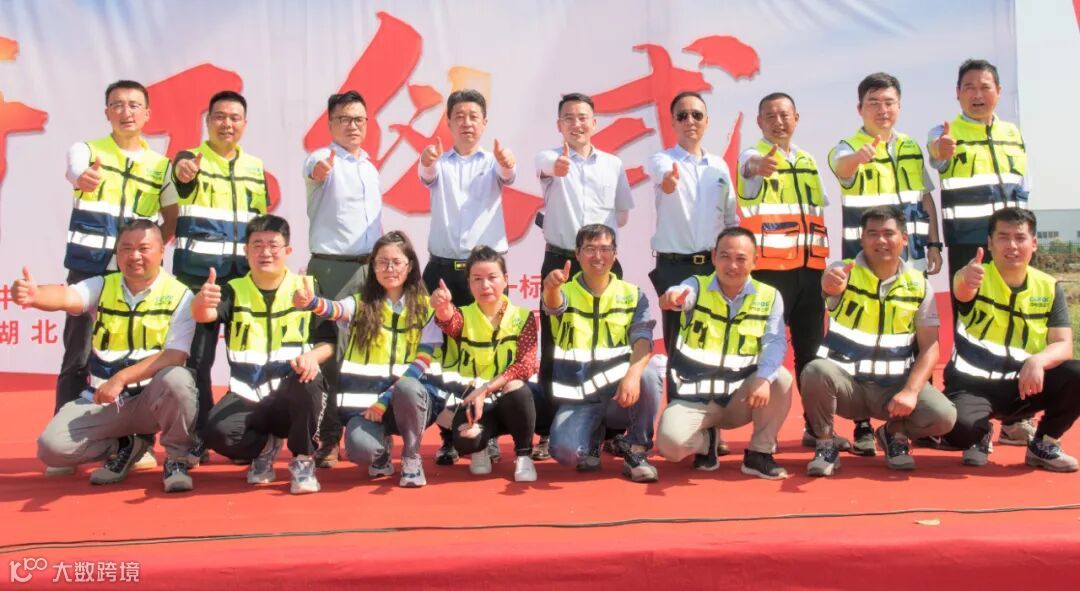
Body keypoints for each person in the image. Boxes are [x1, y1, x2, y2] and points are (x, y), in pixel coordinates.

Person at [56, 81, 175, 478]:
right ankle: (65, 441)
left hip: (136, 274)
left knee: (138, 355)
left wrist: (148, 253)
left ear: (148, 114)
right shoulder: (87, 150)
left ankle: (139, 443)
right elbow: (74, 169)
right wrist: (82, 178)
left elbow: (170, 215)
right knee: (77, 355)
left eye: (134, 105)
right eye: (118, 105)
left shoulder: (160, 165)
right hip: (89, 267)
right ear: (106, 112)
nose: (127, 112)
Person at [27, 220, 197, 492]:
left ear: (161, 251)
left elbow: (175, 356)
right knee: (52, 448)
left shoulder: (181, 295)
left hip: (151, 401)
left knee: (178, 379)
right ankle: (126, 446)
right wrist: (36, 295)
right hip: (105, 400)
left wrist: (121, 378)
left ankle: (176, 460)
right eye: (126, 248)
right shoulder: (103, 285)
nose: (134, 256)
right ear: (117, 253)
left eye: (143, 248)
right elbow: (68, 296)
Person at [801, 207, 956, 476]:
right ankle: (825, 444)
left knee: (944, 416)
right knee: (815, 371)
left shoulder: (919, 285)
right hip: (849, 388)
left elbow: (930, 347)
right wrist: (829, 286)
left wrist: (911, 391)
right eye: (872, 234)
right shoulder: (843, 271)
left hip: (892, 391)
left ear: (904, 238)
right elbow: (830, 286)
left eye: (888, 233)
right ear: (862, 239)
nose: (880, 240)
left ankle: (893, 434)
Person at [928, 59, 1035, 447]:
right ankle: (968, 415)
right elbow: (937, 157)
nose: (977, 94)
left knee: (1016, 327)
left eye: (985, 86)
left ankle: (1016, 419)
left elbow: (1021, 187)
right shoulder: (944, 132)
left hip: (1013, 248)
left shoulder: (1012, 134)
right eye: (969, 87)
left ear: (998, 92)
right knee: (971, 328)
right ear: (957, 93)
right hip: (970, 246)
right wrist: (941, 151)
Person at [737, 92, 845, 455]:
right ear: (759, 122)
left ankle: (817, 428)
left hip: (810, 272)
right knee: (762, 352)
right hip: (770, 273)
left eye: (784, 115)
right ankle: (759, 433)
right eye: (769, 116)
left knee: (812, 354)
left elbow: (818, 211)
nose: (778, 121)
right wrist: (758, 167)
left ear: (796, 118)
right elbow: (749, 170)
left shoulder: (808, 160)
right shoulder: (751, 155)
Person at [295, 231, 447, 488]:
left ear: (410, 266)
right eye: (382, 262)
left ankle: (411, 456)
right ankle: (381, 453)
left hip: (407, 400)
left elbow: (423, 360)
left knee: (408, 387)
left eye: (396, 262)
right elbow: (336, 309)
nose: (389, 269)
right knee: (360, 450)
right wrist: (312, 302)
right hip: (365, 406)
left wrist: (384, 400)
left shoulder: (426, 307)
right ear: (372, 267)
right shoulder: (360, 303)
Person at [195, 215, 332, 494]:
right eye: (257, 245)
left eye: (273, 245)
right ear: (246, 251)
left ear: (288, 250)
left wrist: (312, 358)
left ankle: (303, 460)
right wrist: (200, 302)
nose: (265, 252)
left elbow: (328, 342)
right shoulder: (234, 290)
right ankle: (265, 448)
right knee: (215, 433)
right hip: (248, 392)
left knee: (312, 382)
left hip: (291, 389)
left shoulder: (306, 287)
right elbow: (205, 315)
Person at [168, 90, 270, 464]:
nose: (227, 124)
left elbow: (259, 224)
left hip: (242, 281)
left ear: (245, 123)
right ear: (208, 121)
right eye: (220, 117)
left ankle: (245, 434)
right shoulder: (190, 160)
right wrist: (183, 171)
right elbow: (181, 178)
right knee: (198, 360)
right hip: (199, 280)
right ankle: (197, 434)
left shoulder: (255, 167)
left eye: (234, 117)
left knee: (250, 357)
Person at [533, 92, 634, 461]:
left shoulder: (613, 164)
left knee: (612, 345)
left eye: (583, 117)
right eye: (569, 118)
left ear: (594, 123)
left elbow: (621, 214)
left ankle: (613, 430)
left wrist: (598, 248)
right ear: (559, 125)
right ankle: (547, 432)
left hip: (604, 263)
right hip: (561, 262)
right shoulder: (548, 159)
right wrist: (558, 168)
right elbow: (548, 166)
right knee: (554, 346)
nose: (576, 124)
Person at [418, 88, 516, 466]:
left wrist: (506, 162)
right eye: (459, 116)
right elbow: (426, 174)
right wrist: (428, 161)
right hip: (443, 271)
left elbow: (508, 173)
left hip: (484, 275)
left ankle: (487, 434)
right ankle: (448, 435)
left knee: (488, 354)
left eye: (474, 116)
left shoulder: (493, 163)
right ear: (448, 122)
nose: (466, 123)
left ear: (484, 122)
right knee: (446, 357)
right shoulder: (437, 163)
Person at [942, 208, 1080, 472]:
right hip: (973, 386)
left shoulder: (1048, 286)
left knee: (1077, 374)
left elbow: (1063, 344)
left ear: (1034, 243)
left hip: (1023, 386)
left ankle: (1044, 443)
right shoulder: (975, 276)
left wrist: (1037, 361)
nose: (1012, 246)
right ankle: (979, 433)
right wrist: (966, 279)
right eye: (1003, 237)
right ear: (990, 243)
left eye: (1020, 238)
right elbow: (962, 288)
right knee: (956, 428)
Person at [655, 227, 793, 479]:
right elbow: (683, 294)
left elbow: (775, 343)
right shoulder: (696, 285)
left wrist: (763, 380)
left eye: (741, 258)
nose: (732, 265)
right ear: (713, 256)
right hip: (695, 398)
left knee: (780, 378)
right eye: (725, 256)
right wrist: (673, 297)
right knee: (670, 446)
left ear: (755, 261)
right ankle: (707, 442)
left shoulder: (770, 296)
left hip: (740, 399)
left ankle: (759, 453)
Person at [544, 224, 663, 482]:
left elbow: (643, 341)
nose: (598, 256)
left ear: (615, 253)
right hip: (580, 398)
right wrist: (551, 288)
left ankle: (636, 450)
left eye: (605, 249)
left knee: (648, 375)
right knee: (565, 453)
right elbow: (553, 306)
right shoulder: (564, 291)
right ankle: (594, 438)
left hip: (619, 395)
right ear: (577, 254)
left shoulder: (633, 294)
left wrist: (632, 375)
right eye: (590, 249)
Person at [303, 90, 384, 468]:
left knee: (367, 352)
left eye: (359, 119)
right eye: (345, 119)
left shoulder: (370, 167)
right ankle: (328, 438)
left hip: (370, 270)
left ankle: (366, 432)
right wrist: (321, 170)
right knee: (331, 354)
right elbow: (315, 169)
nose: (353, 126)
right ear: (330, 123)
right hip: (333, 269)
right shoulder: (322, 158)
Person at [434, 246, 539, 482]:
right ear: (469, 283)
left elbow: (525, 365)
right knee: (466, 441)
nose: (485, 286)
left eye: (492, 277)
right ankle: (480, 448)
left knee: (518, 388)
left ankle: (524, 455)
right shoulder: (464, 315)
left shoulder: (523, 317)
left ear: (506, 280)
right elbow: (449, 321)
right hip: (473, 401)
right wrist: (442, 307)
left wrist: (487, 388)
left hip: (510, 399)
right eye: (477, 279)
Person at [647, 91, 737, 354]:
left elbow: (730, 219)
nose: (690, 121)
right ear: (672, 122)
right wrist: (668, 181)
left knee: (716, 341)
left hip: (713, 267)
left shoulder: (719, 166)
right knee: (677, 344)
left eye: (697, 115)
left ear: (707, 121)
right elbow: (661, 175)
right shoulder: (662, 160)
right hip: (674, 267)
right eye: (682, 116)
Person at [830, 72, 942, 272]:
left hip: (913, 258)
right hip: (867, 262)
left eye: (889, 103)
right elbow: (841, 167)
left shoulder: (910, 146)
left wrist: (934, 245)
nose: (882, 110)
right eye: (874, 103)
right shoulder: (848, 147)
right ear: (860, 109)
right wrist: (857, 158)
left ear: (899, 106)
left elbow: (925, 197)